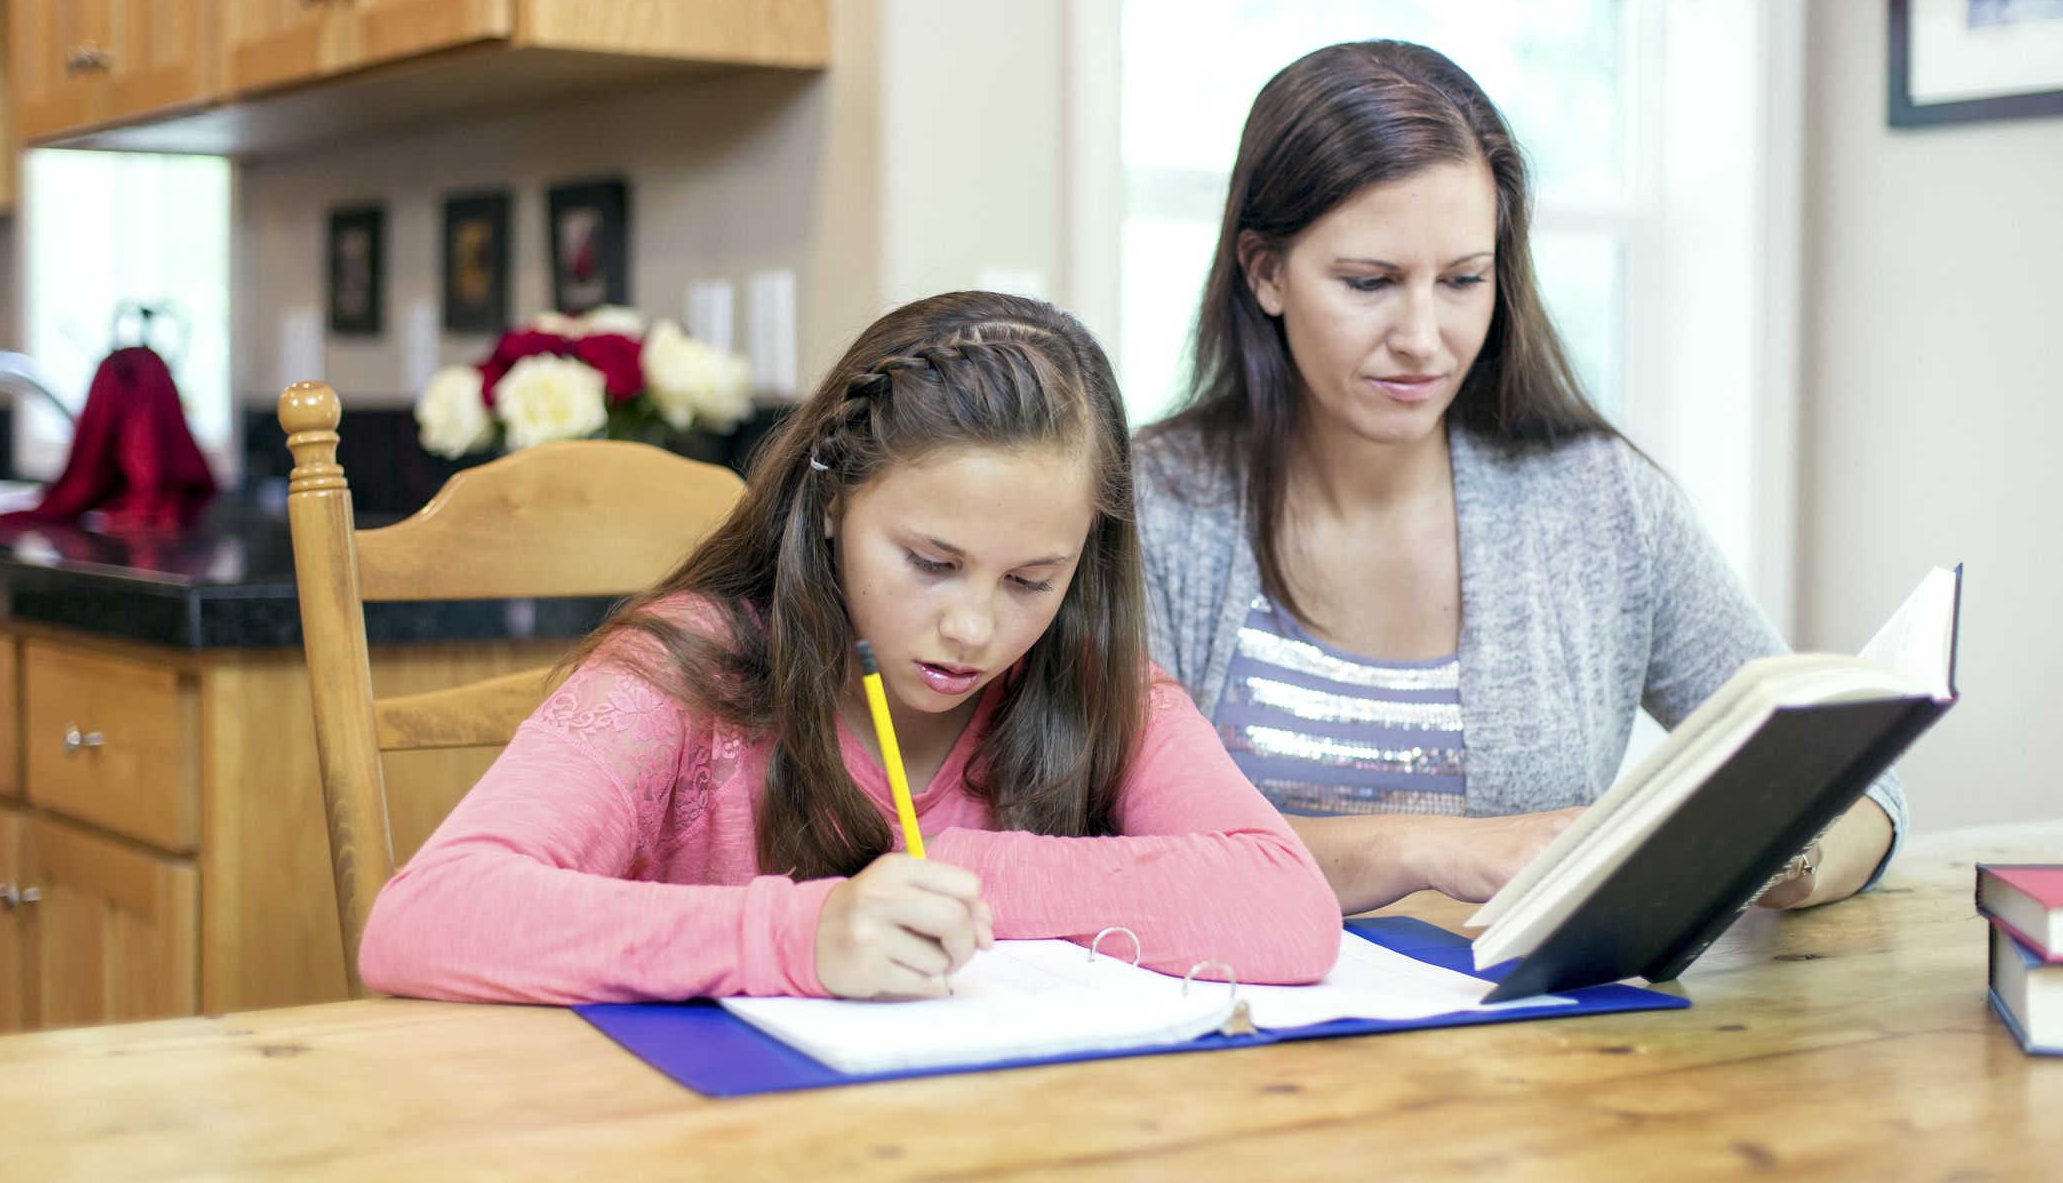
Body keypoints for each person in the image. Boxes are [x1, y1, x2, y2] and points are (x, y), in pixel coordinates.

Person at [361, 291, 1342, 1003]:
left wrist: (979, 876)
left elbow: (1289, 909)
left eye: (1031, 580)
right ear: (831, 504)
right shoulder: (684, 668)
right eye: (929, 560)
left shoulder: (1099, 687)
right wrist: (798, 933)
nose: (974, 627)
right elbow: (425, 916)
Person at [1136, 41, 1904, 915]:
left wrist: (1764, 852)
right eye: (1369, 282)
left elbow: (1863, 791)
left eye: (1463, 279)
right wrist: (1421, 849)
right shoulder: (1155, 506)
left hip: (1535, 1044)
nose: (1423, 336)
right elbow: (1120, 841)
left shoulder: (1598, 502)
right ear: (1264, 272)